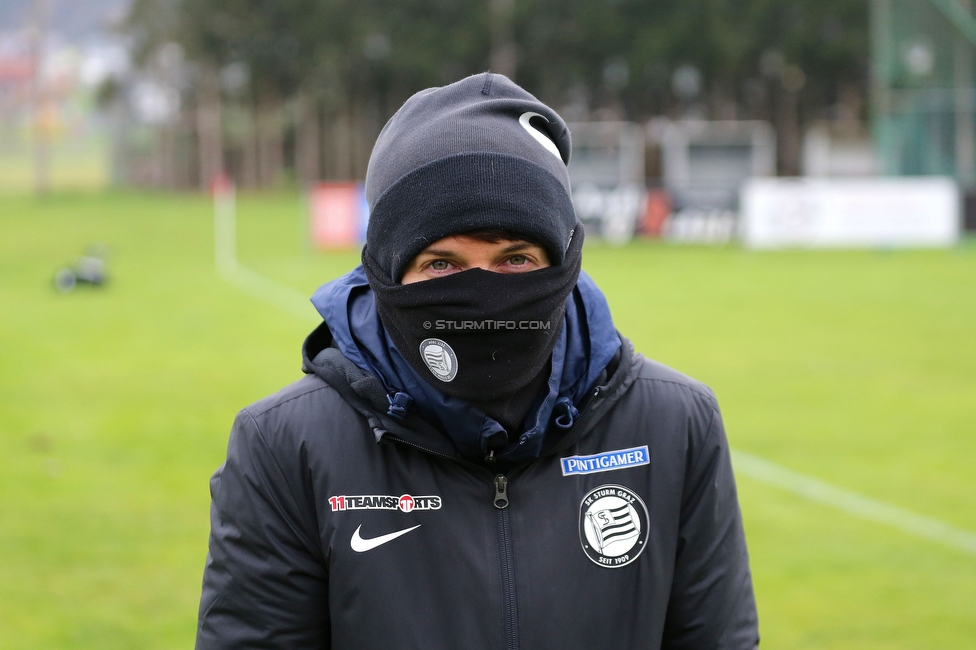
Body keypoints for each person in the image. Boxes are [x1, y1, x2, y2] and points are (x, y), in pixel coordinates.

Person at [196, 73, 759, 649]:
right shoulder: (287, 445)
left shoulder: (675, 423)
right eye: (442, 264)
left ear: (564, 262)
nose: (483, 295)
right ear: (387, 271)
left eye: (516, 258)